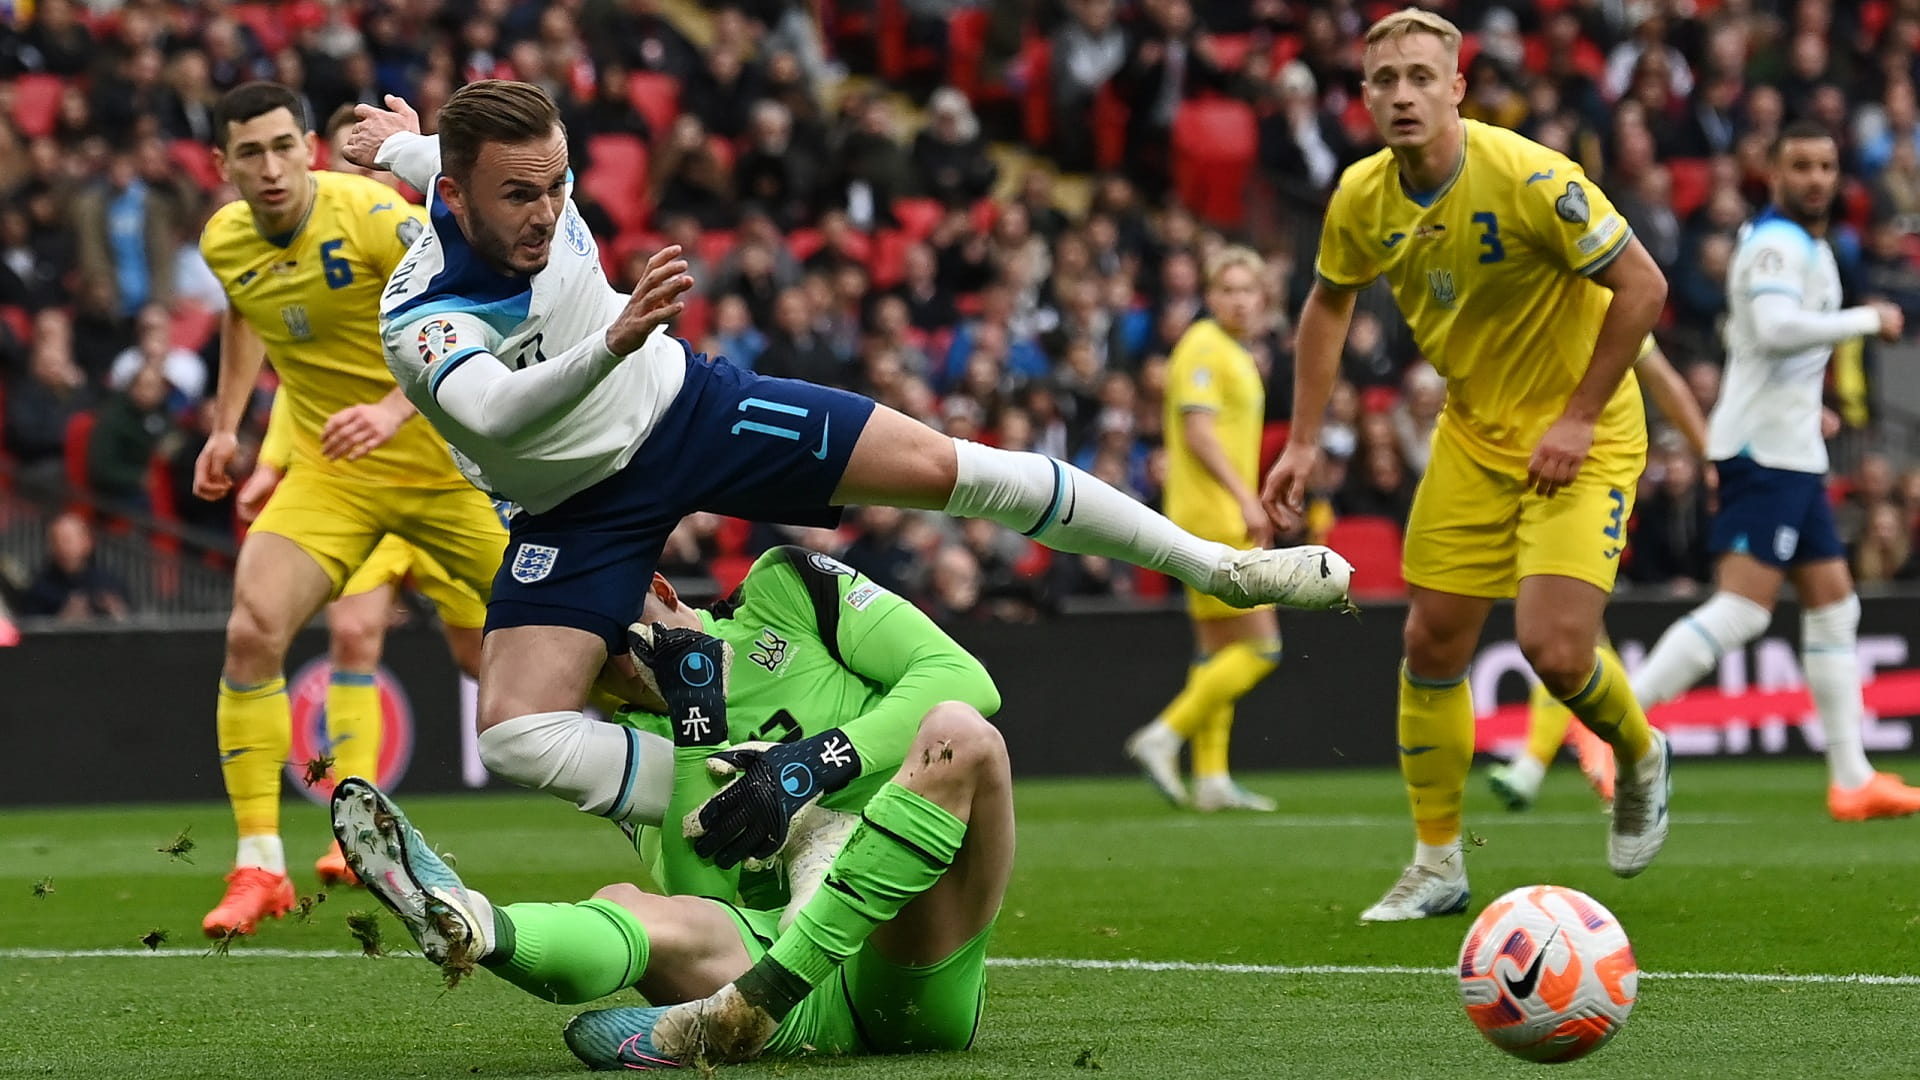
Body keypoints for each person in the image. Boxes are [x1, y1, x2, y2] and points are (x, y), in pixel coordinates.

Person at [339, 81, 1354, 847]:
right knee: (516, 730)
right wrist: (608, 339)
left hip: (681, 406)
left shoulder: (485, 175)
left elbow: (430, 152)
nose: (550, 211)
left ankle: (1217, 565)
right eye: (520, 194)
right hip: (570, 505)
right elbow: (497, 406)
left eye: (561, 183)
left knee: (952, 465)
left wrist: (397, 144)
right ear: (459, 199)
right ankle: (746, 798)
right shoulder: (419, 315)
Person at [1261, 9, 1673, 923]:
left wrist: (1573, 418)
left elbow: (1644, 287)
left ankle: (1640, 756)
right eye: (1384, 81)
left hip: (1586, 431)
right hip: (1474, 436)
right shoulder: (1362, 197)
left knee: (1556, 651)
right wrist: (1299, 438)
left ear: (1456, 87)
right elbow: (1327, 307)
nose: (1402, 94)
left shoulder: (1530, 176)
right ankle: (1439, 862)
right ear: (1363, 97)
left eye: (1420, 77)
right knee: (1430, 641)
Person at [330, 554, 1012, 1068]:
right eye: (599, 665)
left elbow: (966, 679)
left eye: (624, 638)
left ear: (661, 590)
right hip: (783, 1001)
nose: (626, 668)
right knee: (628, 901)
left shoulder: (787, 589)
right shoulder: (631, 743)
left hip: (913, 962)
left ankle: (763, 994)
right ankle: (477, 925)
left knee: (962, 732)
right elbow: (701, 905)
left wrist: (811, 764)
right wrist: (697, 728)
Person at [191, 82, 509, 938]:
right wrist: (227, 429)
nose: (270, 167)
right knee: (253, 630)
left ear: (308, 148)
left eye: (283, 146)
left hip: (446, 460)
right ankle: (260, 863)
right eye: (249, 153)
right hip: (337, 474)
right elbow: (244, 313)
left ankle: (703, 766)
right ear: (222, 166)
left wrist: (395, 408)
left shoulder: (370, 213)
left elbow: (472, 303)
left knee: (569, 643)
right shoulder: (225, 240)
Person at [1628, 122, 1920, 823]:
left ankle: (1851, 779)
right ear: (1776, 173)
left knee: (1834, 606)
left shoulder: (1809, 245)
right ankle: (1617, 722)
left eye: (1826, 165)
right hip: (1763, 454)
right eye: (1801, 166)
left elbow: (1763, 350)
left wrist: (1808, 406)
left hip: (1793, 450)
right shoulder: (1775, 245)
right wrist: (1866, 317)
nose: (1816, 178)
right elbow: (1774, 330)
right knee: (1741, 611)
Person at [233, 393, 491, 884]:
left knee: (480, 658)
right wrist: (271, 463)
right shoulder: (332, 320)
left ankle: (638, 737)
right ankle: (356, 831)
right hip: (361, 490)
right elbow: (298, 382)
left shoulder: (423, 315)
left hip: (444, 487)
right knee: (352, 633)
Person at [1488, 339, 1711, 812]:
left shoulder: (1604, 295)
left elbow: (1662, 377)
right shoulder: (1513, 302)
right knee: (1567, 642)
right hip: (1527, 474)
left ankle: (1558, 761)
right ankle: (1608, 751)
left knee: (1568, 635)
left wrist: (1710, 456)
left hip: (1587, 479)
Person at [1125, 247, 1284, 813]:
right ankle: (1165, 734)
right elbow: (1198, 432)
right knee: (1263, 647)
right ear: (1210, 296)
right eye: (1229, 289)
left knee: (1217, 649)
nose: (1240, 299)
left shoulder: (1228, 351)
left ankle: (1212, 777)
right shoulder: (1203, 347)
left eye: (1249, 290)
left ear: (1263, 298)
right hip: (1214, 512)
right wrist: (1247, 497)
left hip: (1205, 510)